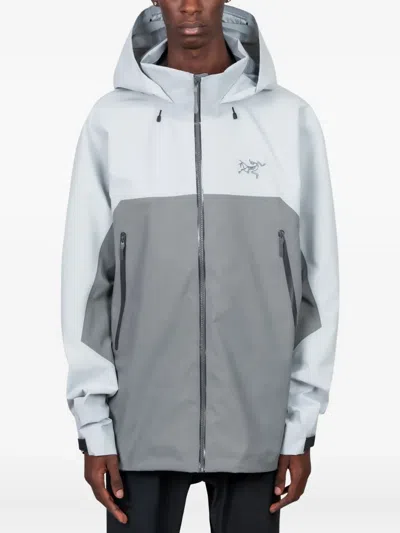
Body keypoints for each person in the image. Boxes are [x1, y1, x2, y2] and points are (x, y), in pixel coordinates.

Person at [60, 1, 339, 532]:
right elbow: (84, 283)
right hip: (138, 421)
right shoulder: (111, 121)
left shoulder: (289, 119)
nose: (190, 5)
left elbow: (318, 282)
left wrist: (299, 425)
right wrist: (94, 427)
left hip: (256, 422)